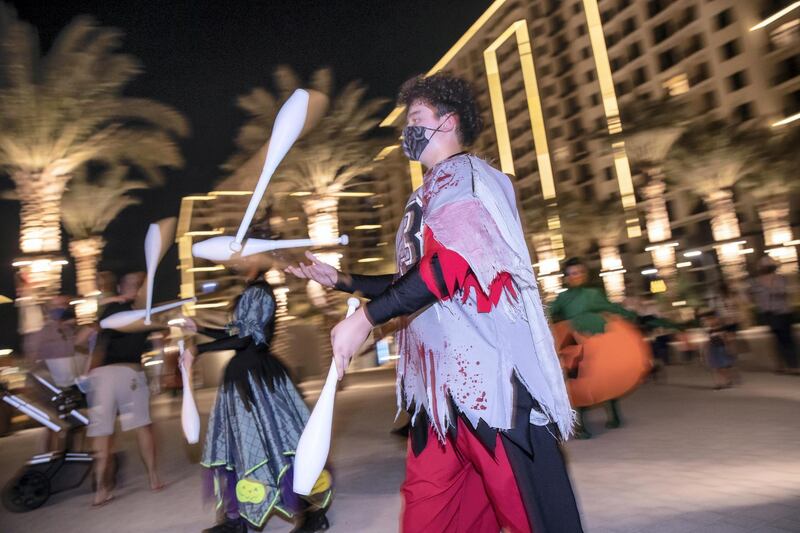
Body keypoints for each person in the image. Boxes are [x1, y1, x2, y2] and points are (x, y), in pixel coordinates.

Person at [287, 72, 582, 533]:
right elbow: (416, 278)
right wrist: (344, 281)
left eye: (416, 118)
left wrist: (366, 318)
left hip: (490, 386)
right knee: (430, 516)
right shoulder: (429, 191)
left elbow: (453, 266)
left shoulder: (466, 177)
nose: (408, 130)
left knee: (529, 514)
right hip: (439, 399)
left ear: (448, 122)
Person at [181, 280, 331, 533]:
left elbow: (248, 339)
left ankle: (309, 514)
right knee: (242, 450)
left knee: (277, 448)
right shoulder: (252, 291)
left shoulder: (259, 293)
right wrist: (200, 328)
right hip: (243, 381)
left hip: (256, 382)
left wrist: (198, 349)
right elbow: (238, 334)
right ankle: (236, 520)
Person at [549, 257, 651, 439]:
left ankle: (615, 416)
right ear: (566, 278)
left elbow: (609, 307)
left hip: (597, 338)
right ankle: (582, 425)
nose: (576, 276)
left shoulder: (593, 294)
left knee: (603, 375)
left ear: (585, 275)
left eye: (579, 272)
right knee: (580, 381)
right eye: (572, 273)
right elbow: (549, 311)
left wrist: (629, 314)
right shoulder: (562, 298)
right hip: (575, 341)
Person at [88, 272, 164, 507]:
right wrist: (158, 377)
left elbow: (97, 340)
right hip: (129, 373)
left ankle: (102, 490)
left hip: (106, 375)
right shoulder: (140, 312)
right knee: (142, 426)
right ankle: (152, 478)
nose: (136, 289)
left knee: (105, 434)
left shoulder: (114, 309)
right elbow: (160, 342)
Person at [750, 256, 798, 374]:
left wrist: (774, 290)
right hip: (769, 314)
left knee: (786, 339)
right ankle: (781, 365)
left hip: (783, 312)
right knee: (777, 340)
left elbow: (785, 292)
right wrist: (758, 303)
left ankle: (793, 365)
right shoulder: (756, 282)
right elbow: (750, 295)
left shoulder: (780, 279)